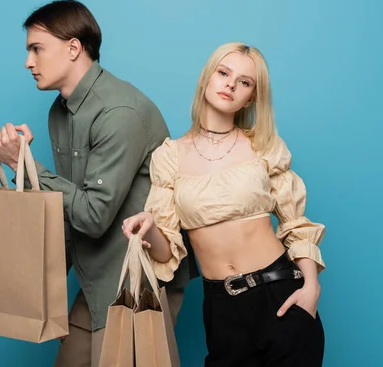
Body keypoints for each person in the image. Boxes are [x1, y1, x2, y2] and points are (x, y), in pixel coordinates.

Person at [0, 0, 198, 367]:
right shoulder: (60, 110)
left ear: (73, 48)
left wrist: (27, 166)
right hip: (95, 278)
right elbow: (66, 207)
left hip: (136, 284)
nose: (28, 62)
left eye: (36, 49)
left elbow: (93, 215)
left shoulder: (119, 112)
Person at [122, 42, 326, 366]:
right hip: (222, 309)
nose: (231, 84)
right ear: (207, 78)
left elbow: (296, 224)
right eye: (223, 72)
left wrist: (311, 287)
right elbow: (165, 253)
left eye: (244, 82)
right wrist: (149, 227)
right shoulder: (169, 156)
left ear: (252, 96)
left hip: (283, 296)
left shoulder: (262, 145)